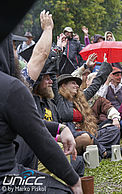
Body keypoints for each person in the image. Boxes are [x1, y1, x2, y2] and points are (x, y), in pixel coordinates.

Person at [0, 12, 82, 193]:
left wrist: (60, 128)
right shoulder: (12, 87)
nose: (16, 53)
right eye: (13, 47)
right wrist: (48, 29)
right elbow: (41, 54)